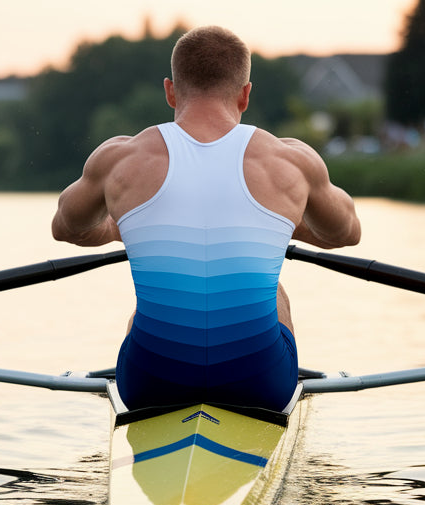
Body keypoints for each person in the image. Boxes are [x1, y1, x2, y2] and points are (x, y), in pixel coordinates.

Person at [51, 26, 361, 412]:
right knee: (274, 292)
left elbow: (66, 227)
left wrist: (122, 226)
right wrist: (279, 224)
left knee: (144, 310)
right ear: (245, 95)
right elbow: (346, 232)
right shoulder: (289, 160)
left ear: (170, 90)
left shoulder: (120, 157)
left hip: (150, 382)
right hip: (259, 382)